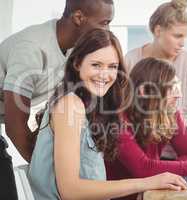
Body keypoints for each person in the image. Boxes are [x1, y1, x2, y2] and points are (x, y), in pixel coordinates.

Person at [28, 29, 187, 200]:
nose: (105, 75)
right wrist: (147, 182)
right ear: (77, 64)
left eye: (112, 67)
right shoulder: (70, 105)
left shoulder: (91, 106)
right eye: (96, 65)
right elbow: (70, 191)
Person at [0, 0, 114, 198]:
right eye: (104, 23)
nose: (108, 30)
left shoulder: (74, 50)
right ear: (78, 18)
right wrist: (52, 176)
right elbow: (15, 127)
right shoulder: (32, 48)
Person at [105, 57, 187, 200]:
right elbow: (143, 168)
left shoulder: (169, 112)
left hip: (152, 195)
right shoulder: (117, 120)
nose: (179, 94)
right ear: (144, 91)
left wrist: (157, 169)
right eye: (171, 88)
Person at [125, 0, 187, 131]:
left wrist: (183, 145)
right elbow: (125, 109)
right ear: (158, 31)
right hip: (140, 137)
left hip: (176, 137)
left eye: (185, 37)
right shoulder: (131, 59)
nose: (183, 43)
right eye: (177, 36)